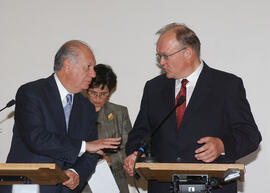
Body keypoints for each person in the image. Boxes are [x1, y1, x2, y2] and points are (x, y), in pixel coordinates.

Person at [123, 23, 262, 193]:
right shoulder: (154, 88)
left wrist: (222, 145)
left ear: (188, 53)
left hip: (212, 187)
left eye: (166, 56)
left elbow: (250, 135)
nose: (161, 62)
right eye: (159, 56)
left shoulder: (227, 85)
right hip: (163, 188)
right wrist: (136, 154)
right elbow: (139, 134)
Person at [1, 40, 120, 193]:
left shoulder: (87, 107)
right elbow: (37, 138)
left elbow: (92, 154)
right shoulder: (32, 93)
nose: (93, 73)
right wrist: (84, 146)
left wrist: (77, 173)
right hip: (27, 186)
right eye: (88, 67)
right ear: (67, 65)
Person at [85, 64, 131, 193]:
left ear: (110, 91)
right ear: (86, 89)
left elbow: (130, 148)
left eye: (103, 93)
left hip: (114, 179)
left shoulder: (119, 113)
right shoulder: (75, 112)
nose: (98, 98)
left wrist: (111, 160)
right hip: (83, 181)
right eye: (93, 93)